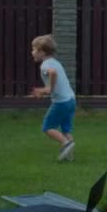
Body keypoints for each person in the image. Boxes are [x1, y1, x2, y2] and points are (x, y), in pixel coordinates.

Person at [30, 34, 77, 162]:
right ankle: (69, 156)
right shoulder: (56, 62)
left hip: (61, 102)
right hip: (71, 100)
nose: (32, 52)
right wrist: (44, 91)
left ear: (42, 52)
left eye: (34, 49)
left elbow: (53, 73)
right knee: (66, 128)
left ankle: (66, 144)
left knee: (47, 127)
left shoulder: (45, 65)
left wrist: (48, 88)